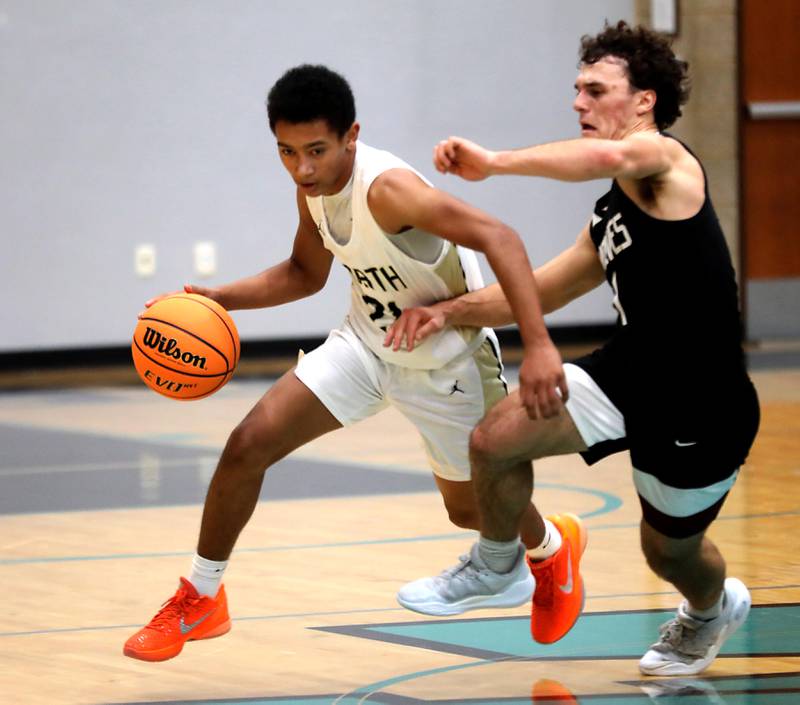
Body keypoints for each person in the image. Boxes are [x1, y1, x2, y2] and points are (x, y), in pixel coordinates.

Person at [123, 64, 569, 662]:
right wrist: (217, 298)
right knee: (247, 443)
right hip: (366, 346)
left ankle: (549, 551)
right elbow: (305, 274)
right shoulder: (313, 190)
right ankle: (201, 598)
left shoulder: (389, 191)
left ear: (350, 136)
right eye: (286, 151)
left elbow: (504, 239)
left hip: (448, 363)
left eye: (316, 150)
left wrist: (538, 346)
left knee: (470, 511)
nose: (302, 168)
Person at [389, 21, 759, 676]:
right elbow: (540, 292)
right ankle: (500, 563)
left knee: (668, 553)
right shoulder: (612, 211)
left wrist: (496, 162)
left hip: (702, 402)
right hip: (631, 370)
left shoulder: (667, 163)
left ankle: (710, 607)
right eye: (576, 90)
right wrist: (446, 312)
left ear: (643, 101)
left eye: (595, 90)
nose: (578, 103)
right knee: (492, 440)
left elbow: (611, 159)